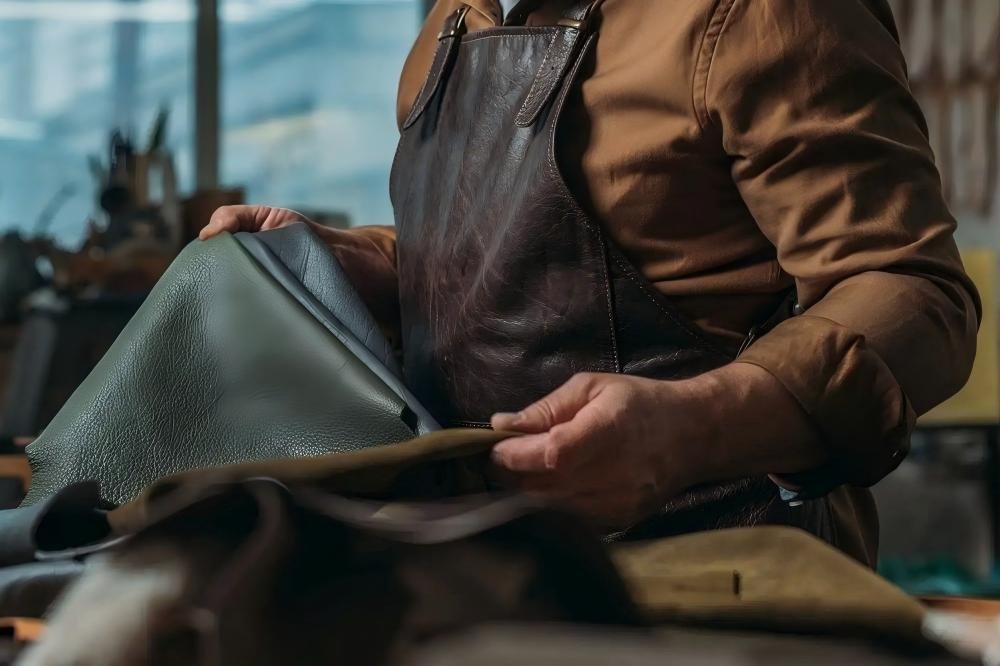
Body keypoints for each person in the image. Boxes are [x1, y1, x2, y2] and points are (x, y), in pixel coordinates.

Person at [199, 0, 981, 566]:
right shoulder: (453, 21)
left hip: (712, 579)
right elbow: (522, 257)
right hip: (472, 565)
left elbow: (913, 289)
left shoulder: (761, 13)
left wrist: (693, 427)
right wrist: (361, 264)